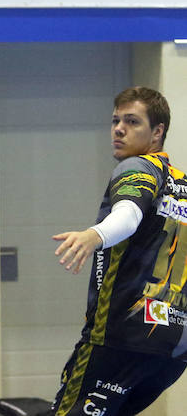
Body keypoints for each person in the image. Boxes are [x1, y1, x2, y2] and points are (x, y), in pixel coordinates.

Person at [50, 87, 187, 415]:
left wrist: (94, 235)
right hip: (172, 350)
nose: (119, 129)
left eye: (131, 121)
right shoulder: (183, 185)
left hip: (120, 338)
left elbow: (127, 214)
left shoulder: (138, 168)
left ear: (158, 132)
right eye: (115, 121)